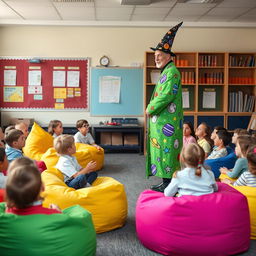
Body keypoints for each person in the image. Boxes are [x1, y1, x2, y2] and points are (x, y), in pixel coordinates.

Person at [145, 22, 184, 193]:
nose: (157, 58)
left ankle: (169, 184)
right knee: (163, 152)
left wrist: (149, 108)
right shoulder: (167, 71)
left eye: (159, 55)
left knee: (167, 153)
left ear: (169, 56)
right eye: (155, 55)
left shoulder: (172, 72)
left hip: (167, 122)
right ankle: (166, 181)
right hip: (162, 122)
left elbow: (166, 95)